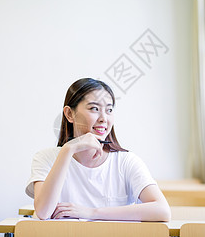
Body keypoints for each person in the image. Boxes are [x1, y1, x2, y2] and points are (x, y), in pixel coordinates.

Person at [25, 78, 171, 221]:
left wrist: (91, 212)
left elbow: (162, 210)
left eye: (109, 110)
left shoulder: (126, 161)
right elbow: (43, 212)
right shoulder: (45, 158)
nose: (103, 118)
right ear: (69, 114)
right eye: (94, 109)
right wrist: (68, 149)